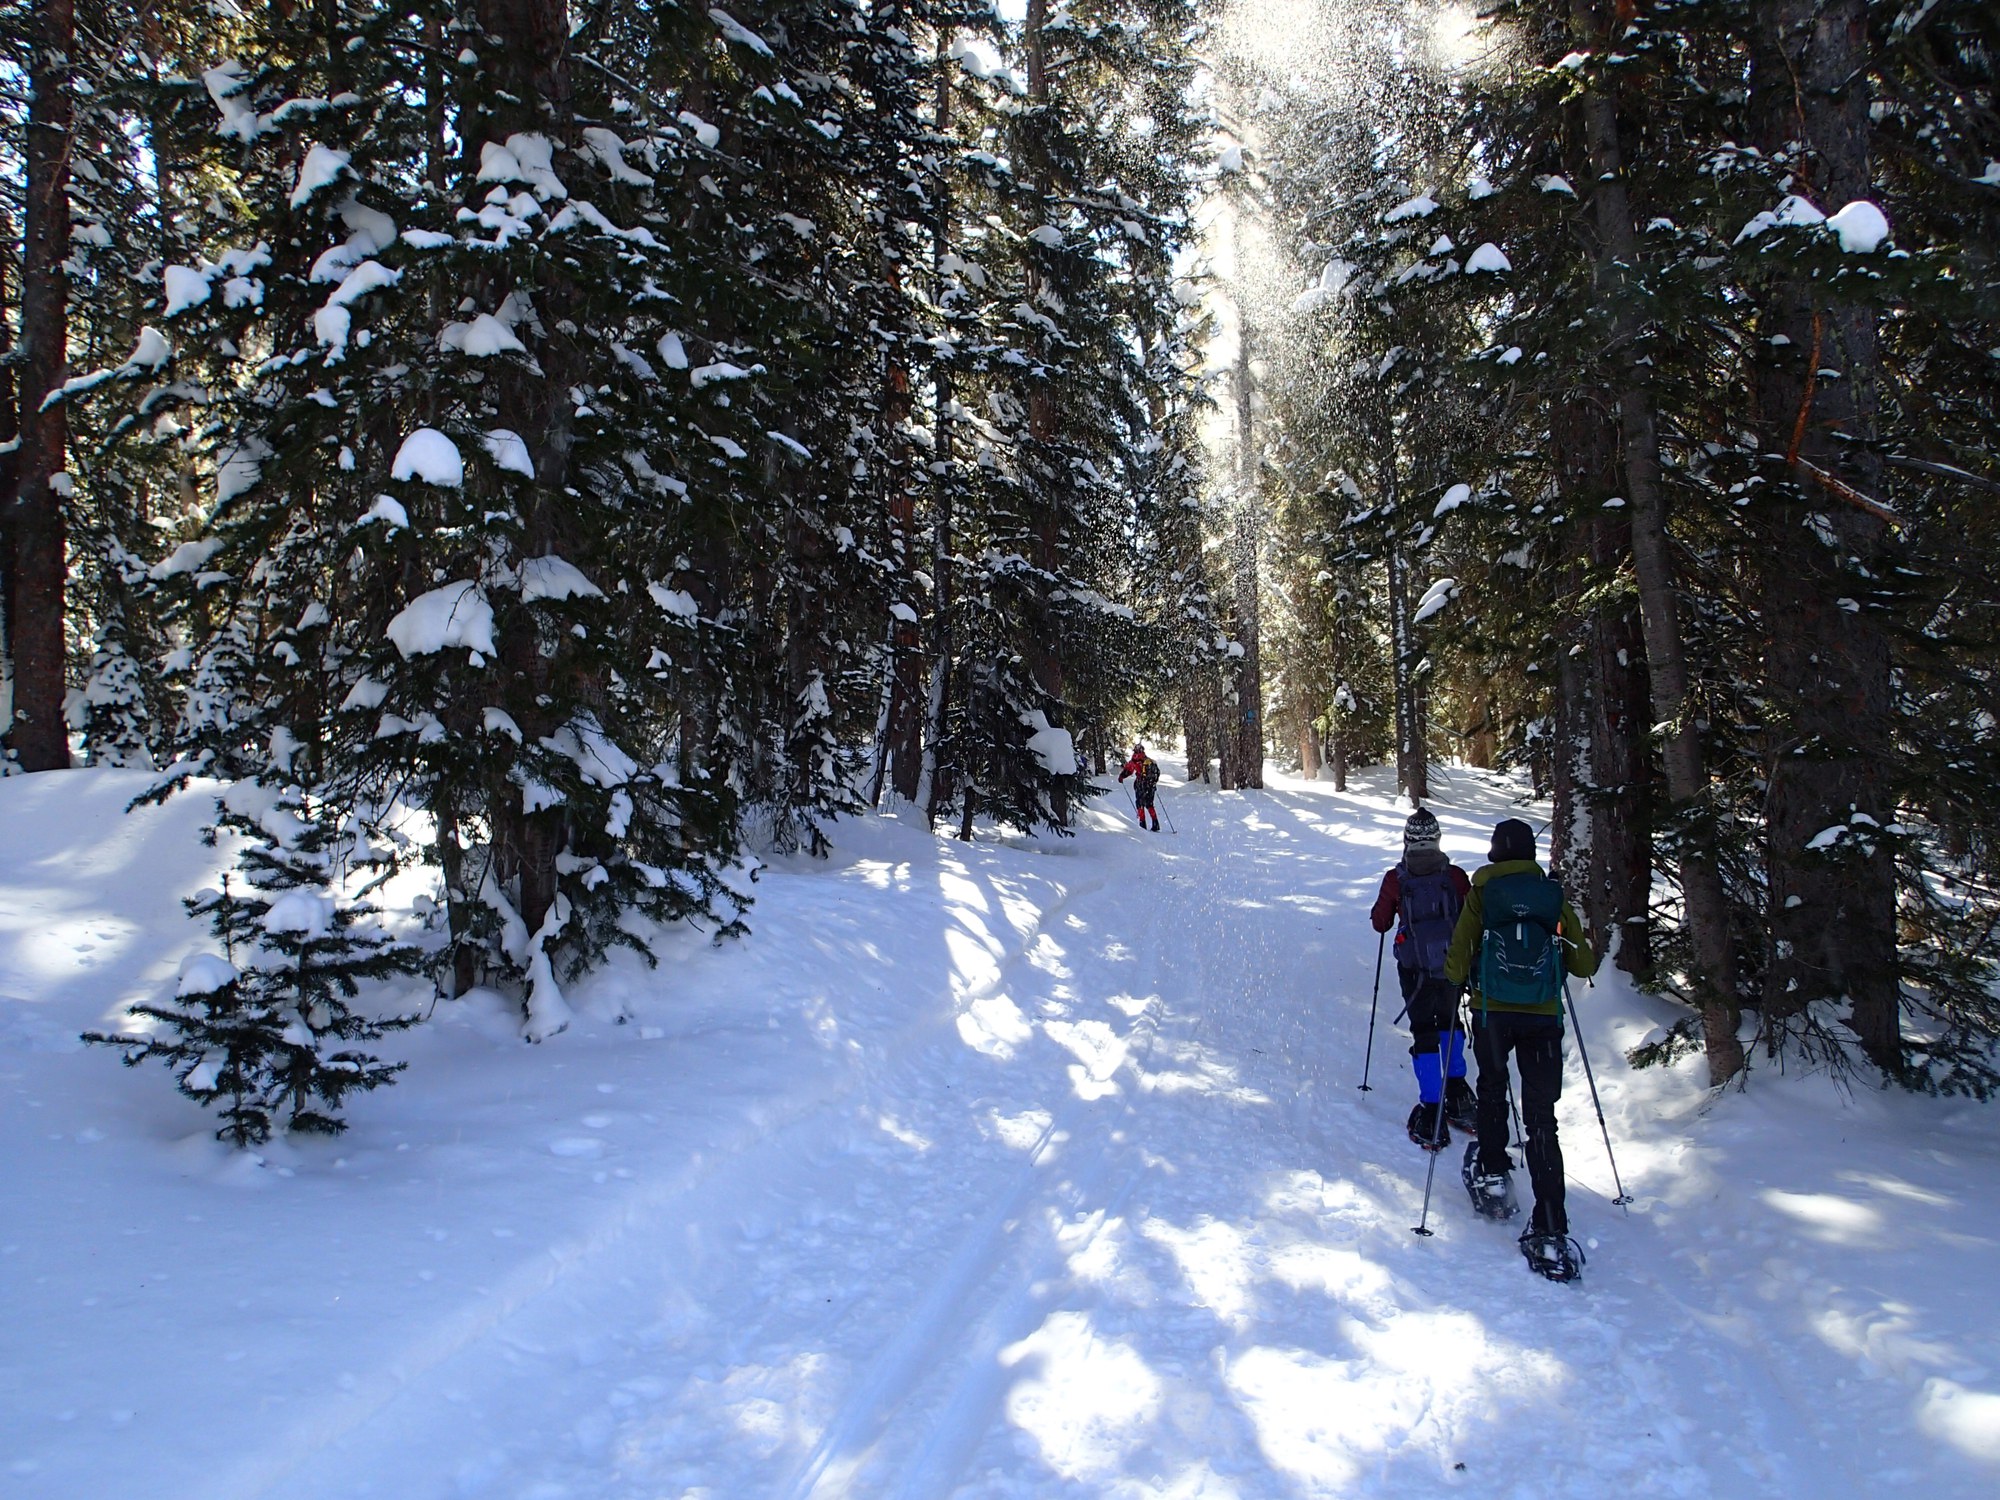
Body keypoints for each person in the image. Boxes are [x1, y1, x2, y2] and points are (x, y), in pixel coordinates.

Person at [1443, 817, 1600, 1281]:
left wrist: (1452, 986)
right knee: (1541, 1117)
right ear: (1530, 853)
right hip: (1542, 1015)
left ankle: (1493, 1172)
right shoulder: (1549, 896)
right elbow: (1583, 961)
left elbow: (1460, 951)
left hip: (1493, 1011)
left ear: (1494, 853)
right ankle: (1551, 1222)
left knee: (1492, 1088)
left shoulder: (1483, 893)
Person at [1370, 807, 1473, 1151]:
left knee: (1424, 1030)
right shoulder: (1455, 876)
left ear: (1407, 841)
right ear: (1437, 839)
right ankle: (1458, 1091)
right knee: (1450, 1021)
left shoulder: (1396, 878)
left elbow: (1380, 922)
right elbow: (1470, 915)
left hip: (1413, 970)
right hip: (1452, 965)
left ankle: (1433, 1109)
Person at [1118, 743, 1161, 831]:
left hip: (1141, 785)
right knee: (1149, 804)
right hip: (1150, 785)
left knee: (1140, 804)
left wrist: (1122, 776)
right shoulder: (1148, 760)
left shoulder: (1135, 759)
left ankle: (1142, 825)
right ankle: (1155, 823)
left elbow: (1128, 770)